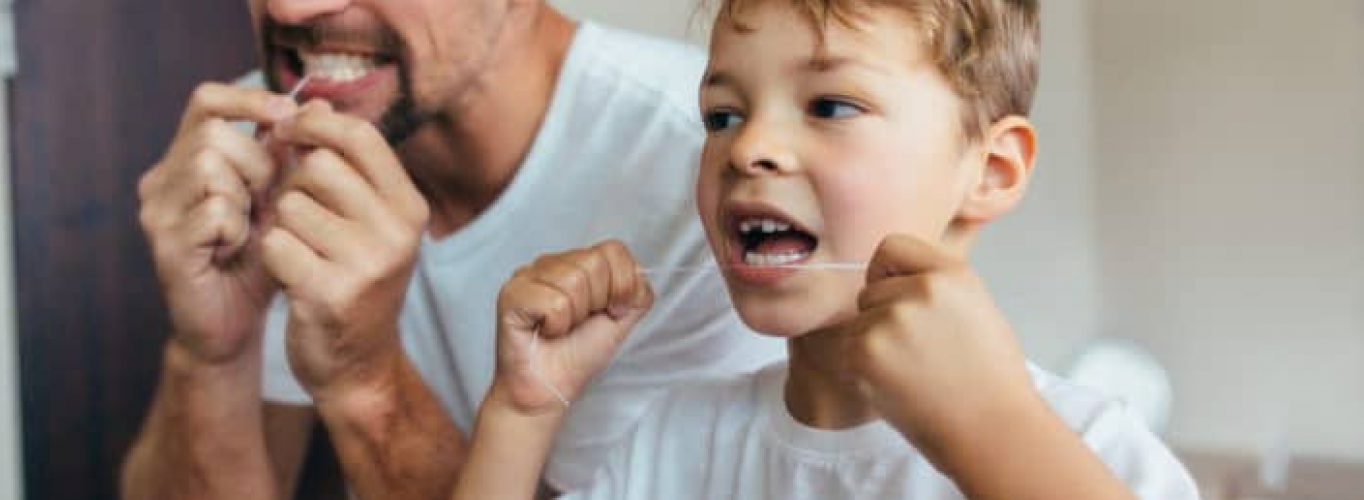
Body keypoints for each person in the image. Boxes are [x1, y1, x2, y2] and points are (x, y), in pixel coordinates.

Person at [452, 0, 1202, 498]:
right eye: (721, 115)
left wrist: (992, 429)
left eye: (831, 105)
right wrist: (520, 412)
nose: (750, 147)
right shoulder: (678, 442)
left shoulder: (1090, 447)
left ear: (991, 171)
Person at [120, 0, 784, 498]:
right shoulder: (264, 148)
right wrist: (211, 354)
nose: (294, 7)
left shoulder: (723, 179)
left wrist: (365, 382)